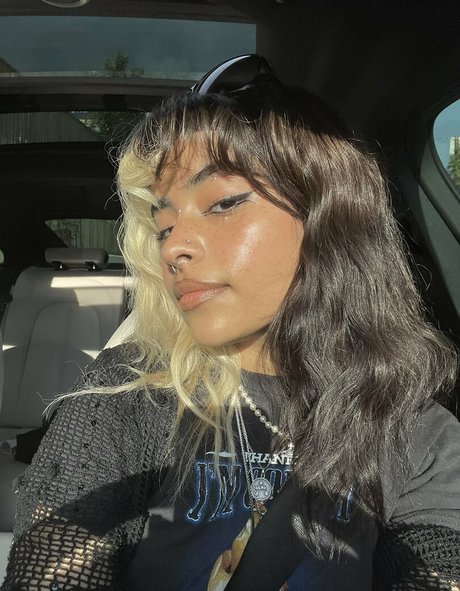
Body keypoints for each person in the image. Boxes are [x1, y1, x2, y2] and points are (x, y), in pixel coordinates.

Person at [2, 54, 460, 591]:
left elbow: (437, 564)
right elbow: (56, 566)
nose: (173, 247)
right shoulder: (127, 393)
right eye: (163, 225)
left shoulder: (415, 432)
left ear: (329, 216)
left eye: (221, 204)